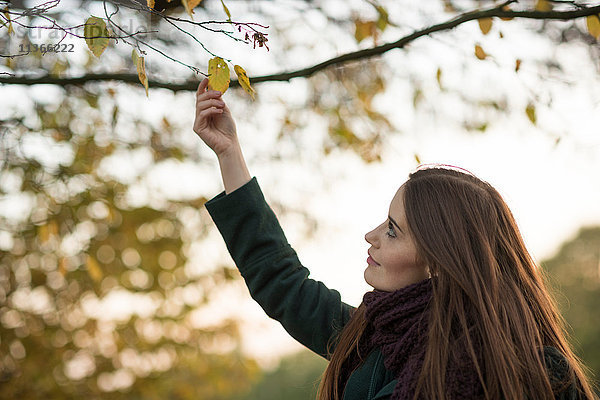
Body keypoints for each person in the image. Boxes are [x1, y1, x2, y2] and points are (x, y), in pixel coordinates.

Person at [192, 78, 597, 400]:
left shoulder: (540, 377)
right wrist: (230, 154)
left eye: (392, 230)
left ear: (439, 260)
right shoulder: (372, 338)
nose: (371, 237)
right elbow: (282, 283)